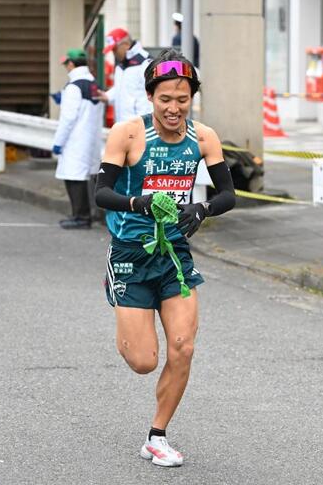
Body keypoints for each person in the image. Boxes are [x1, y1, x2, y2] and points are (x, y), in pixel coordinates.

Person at [94, 48, 235, 467]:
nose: (174, 108)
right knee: (143, 361)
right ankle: (118, 291)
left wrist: (202, 208)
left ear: (192, 99)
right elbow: (100, 194)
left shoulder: (204, 137)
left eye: (182, 99)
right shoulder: (128, 133)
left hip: (175, 254)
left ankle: (157, 435)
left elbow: (229, 194)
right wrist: (140, 202)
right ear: (151, 96)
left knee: (183, 347)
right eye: (165, 99)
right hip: (130, 255)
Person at [52, 48, 104, 230]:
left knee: (73, 177)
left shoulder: (73, 87)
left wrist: (58, 142)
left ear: (71, 64)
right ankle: (88, 214)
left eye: (66, 64)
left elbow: (68, 119)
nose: (66, 67)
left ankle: (81, 217)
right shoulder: (93, 83)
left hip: (75, 139)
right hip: (91, 138)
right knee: (85, 176)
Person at [100, 27, 153, 123]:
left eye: (115, 49)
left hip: (141, 127)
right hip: (123, 126)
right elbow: (122, 89)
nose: (114, 53)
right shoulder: (121, 66)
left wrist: (146, 125)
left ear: (126, 44)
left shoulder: (145, 63)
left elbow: (153, 95)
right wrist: (107, 96)